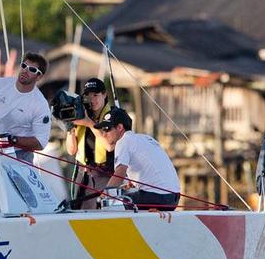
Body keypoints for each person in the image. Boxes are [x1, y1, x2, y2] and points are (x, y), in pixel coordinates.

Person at [95, 107, 181, 211]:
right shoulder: (145, 138)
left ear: (120, 127)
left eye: (107, 129)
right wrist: (133, 183)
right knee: (123, 194)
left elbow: (119, 174)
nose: (104, 134)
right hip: (173, 198)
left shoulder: (123, 141)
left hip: (159, 197)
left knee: (108, 204)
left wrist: (104, 195)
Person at [65, 78, 114, 209]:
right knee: (78, 211)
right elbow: (71, 150)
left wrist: (89, 123)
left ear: (105, 95)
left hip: (105, 174)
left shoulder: (115, 116)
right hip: (83, 174)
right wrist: (70, 127)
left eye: (96, 95)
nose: (92, 100)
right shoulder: (81, 115)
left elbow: (110, 146)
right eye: (88, 95)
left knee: (105, 212)